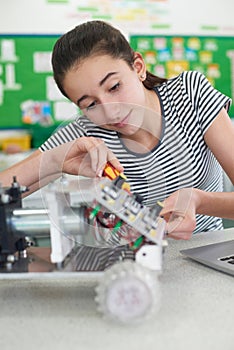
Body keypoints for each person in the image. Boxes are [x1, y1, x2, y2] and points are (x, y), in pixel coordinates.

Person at [1, 20, 234, 241]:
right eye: (90, 104)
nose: (110, 113)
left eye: (114, 87)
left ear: (138, 67)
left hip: (205, 256)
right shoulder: (85, 133)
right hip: (132, 265)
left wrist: (200, 201)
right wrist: (54, 161)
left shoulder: (189, 94)